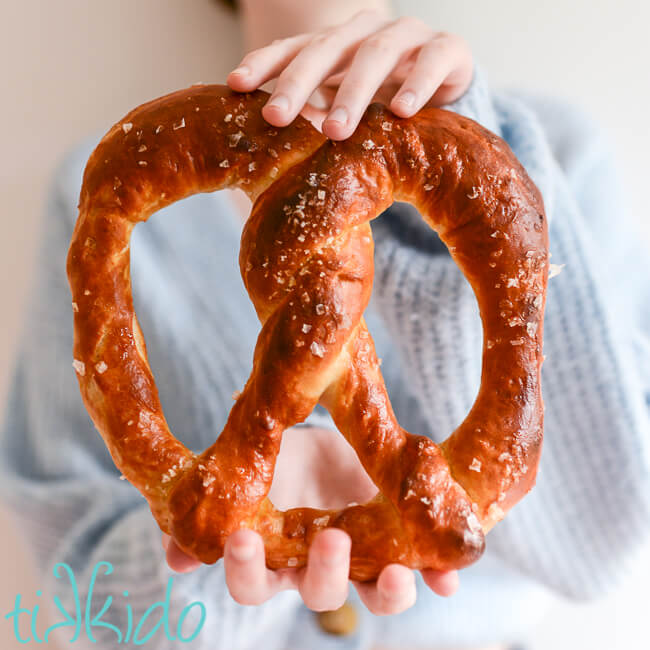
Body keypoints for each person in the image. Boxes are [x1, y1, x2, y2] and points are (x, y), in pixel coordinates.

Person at [1, 0, 649, 648]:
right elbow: (80, 600)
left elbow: (607, 548)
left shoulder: (553, 152)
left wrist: (464, 140)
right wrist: (221, 551)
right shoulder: (99, 187)